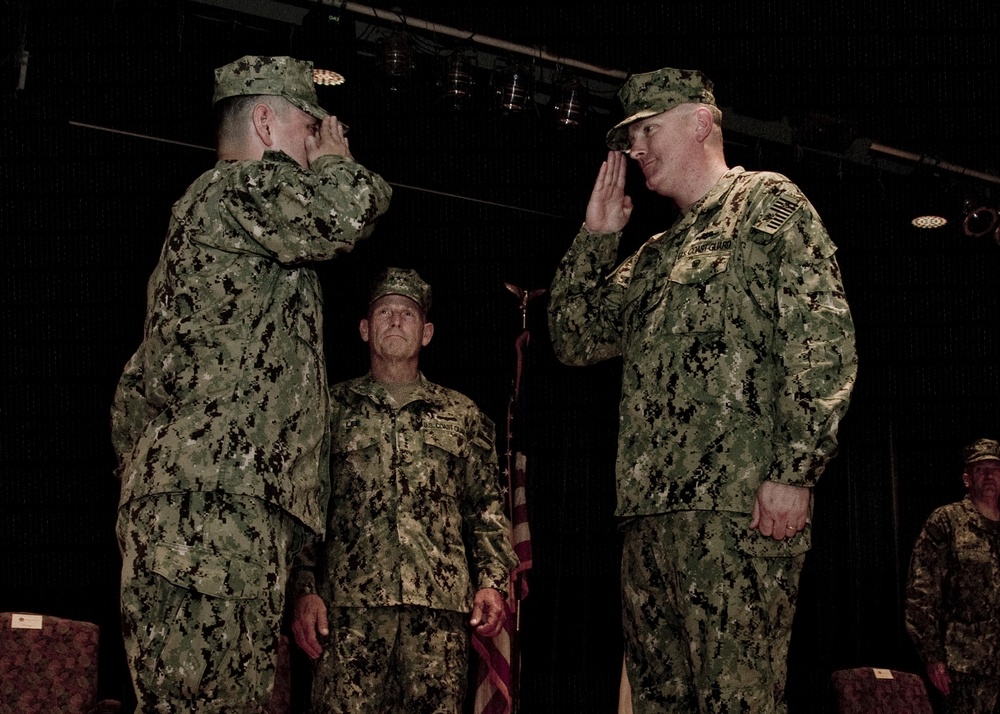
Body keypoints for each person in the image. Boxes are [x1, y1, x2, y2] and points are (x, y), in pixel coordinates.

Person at [547, 67, 857, 713]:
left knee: (737, 703)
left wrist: (794, 471)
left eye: (648, 130)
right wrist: (596, 239)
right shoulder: (656, 253)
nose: (637, 150)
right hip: (650, 519)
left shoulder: (768, 204)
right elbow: (572, 338)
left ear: (700, 121)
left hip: (735, 512)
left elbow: (822, 342)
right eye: (630, 138)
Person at [110, 55, 392, 712]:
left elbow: (137, 388)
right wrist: (336, 161)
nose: (316, 140)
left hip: (223, 510)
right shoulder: (231, 192)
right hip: (206, 512)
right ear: (265, 121)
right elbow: (347, 210)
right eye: (308, 127)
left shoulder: (242, 236)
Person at [290, 267, 517, 714]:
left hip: (438, 618)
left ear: (426, 333)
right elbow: (304, 504)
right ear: (364, 328)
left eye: (408, 314)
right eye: (384, 312)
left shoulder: (461, 413)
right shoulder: (329, 409)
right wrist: (303, 590)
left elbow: (485, 507)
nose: (396, 321)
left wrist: (492, 583)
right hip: (348, 615)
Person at [905, 438, 1000, 714]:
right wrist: (932, 657)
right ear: (967, 479)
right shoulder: (947, 521)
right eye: (980, 469)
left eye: (994, 469)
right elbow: (920, 593)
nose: (989, 475)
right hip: (966, 665)